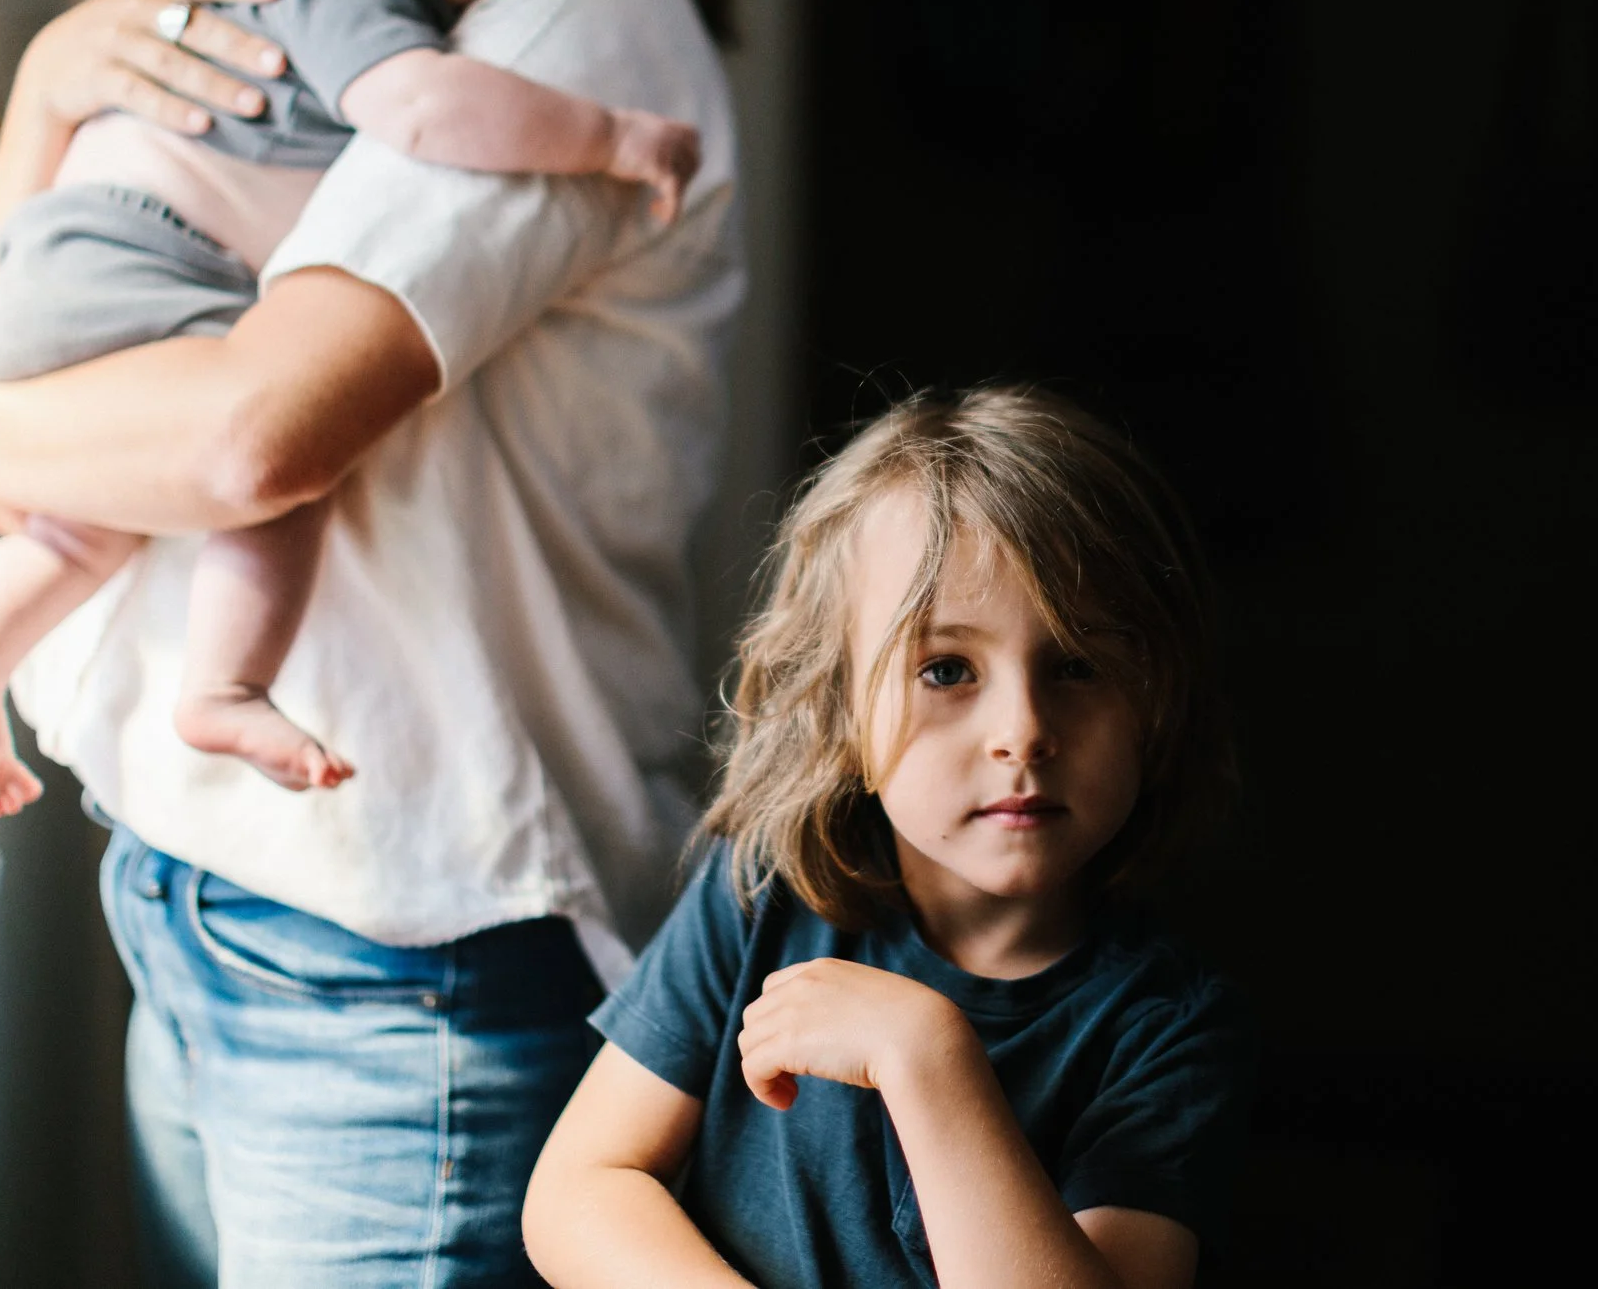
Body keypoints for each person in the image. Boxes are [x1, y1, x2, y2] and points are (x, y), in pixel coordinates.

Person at [0, 0, 739, 1282]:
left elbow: (242, 440)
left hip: (406, 949)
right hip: (194, 886)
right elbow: (35, 372)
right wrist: (33, 101)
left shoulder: (571, 6)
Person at [0, 0, 698, 809]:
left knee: (82, 532)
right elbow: (424, 111)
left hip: (60, 267)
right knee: (278, 495)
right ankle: (225, 685)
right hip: (146, 255)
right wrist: (608, 136)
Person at [523, 387, 1252, 1289]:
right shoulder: (766, 889)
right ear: (839, 708)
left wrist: (929, 1057)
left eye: (1077, 664)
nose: (1022, 730)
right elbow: (580, 1188)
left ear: (1156, 701)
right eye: (947, 668)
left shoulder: (1164, 1032)